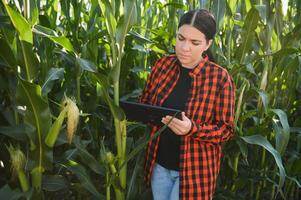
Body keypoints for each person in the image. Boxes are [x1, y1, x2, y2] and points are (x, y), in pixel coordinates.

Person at [139, 9, 235, 200]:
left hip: (195, 173)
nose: (184, 47)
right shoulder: (163, 66)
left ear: (208, 44)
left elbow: (226, 130)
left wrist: (192, 128)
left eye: (194, 42)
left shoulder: (220, 78)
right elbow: (146, 102)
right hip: (159, 165)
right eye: (180, 38)